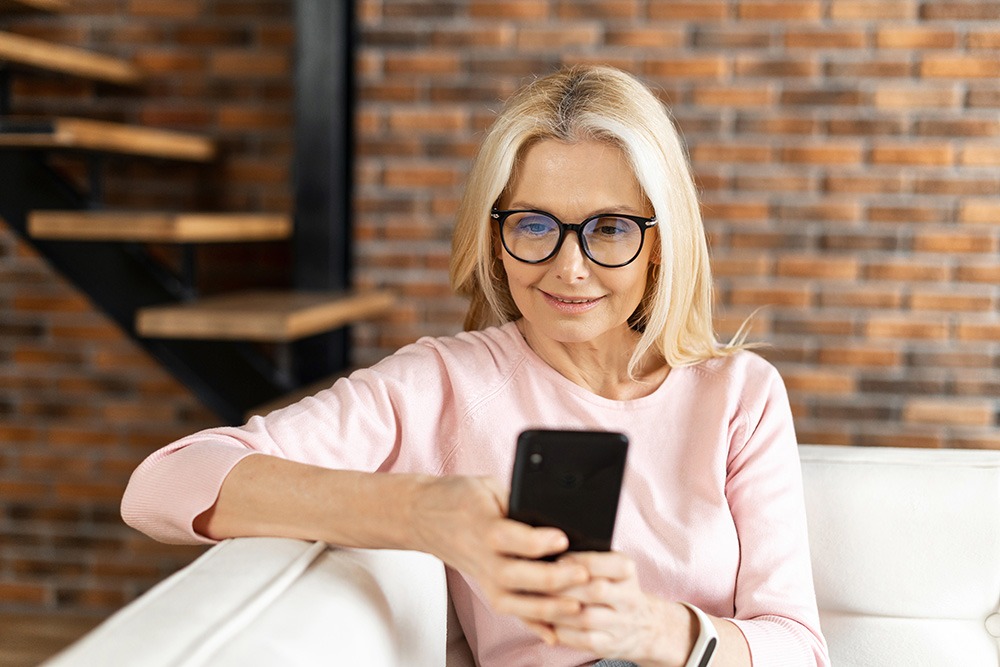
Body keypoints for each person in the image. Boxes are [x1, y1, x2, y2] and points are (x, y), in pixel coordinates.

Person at [122, 65, 830, 667]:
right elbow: (161, 484)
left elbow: (798, 645)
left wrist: (653, 628)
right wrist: (424, 513)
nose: (570, 267)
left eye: (610, 227)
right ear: (495, 239)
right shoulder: (444, 383)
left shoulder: (738, 394)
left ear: (659, 244)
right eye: (535, 225)